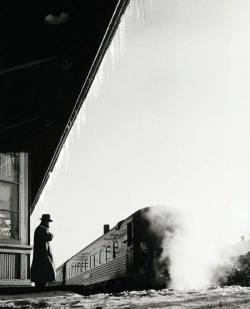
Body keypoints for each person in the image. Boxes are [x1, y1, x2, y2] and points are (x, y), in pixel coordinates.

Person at [31, 214, 55, 287]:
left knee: (42, 277)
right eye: (48, 222)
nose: (48, 223)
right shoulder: (41, 229)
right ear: (44, 221)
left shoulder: (40, 229)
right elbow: (49, 237)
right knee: (43, 276)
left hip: (41, 257)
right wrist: (51, 234)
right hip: (42, 257)